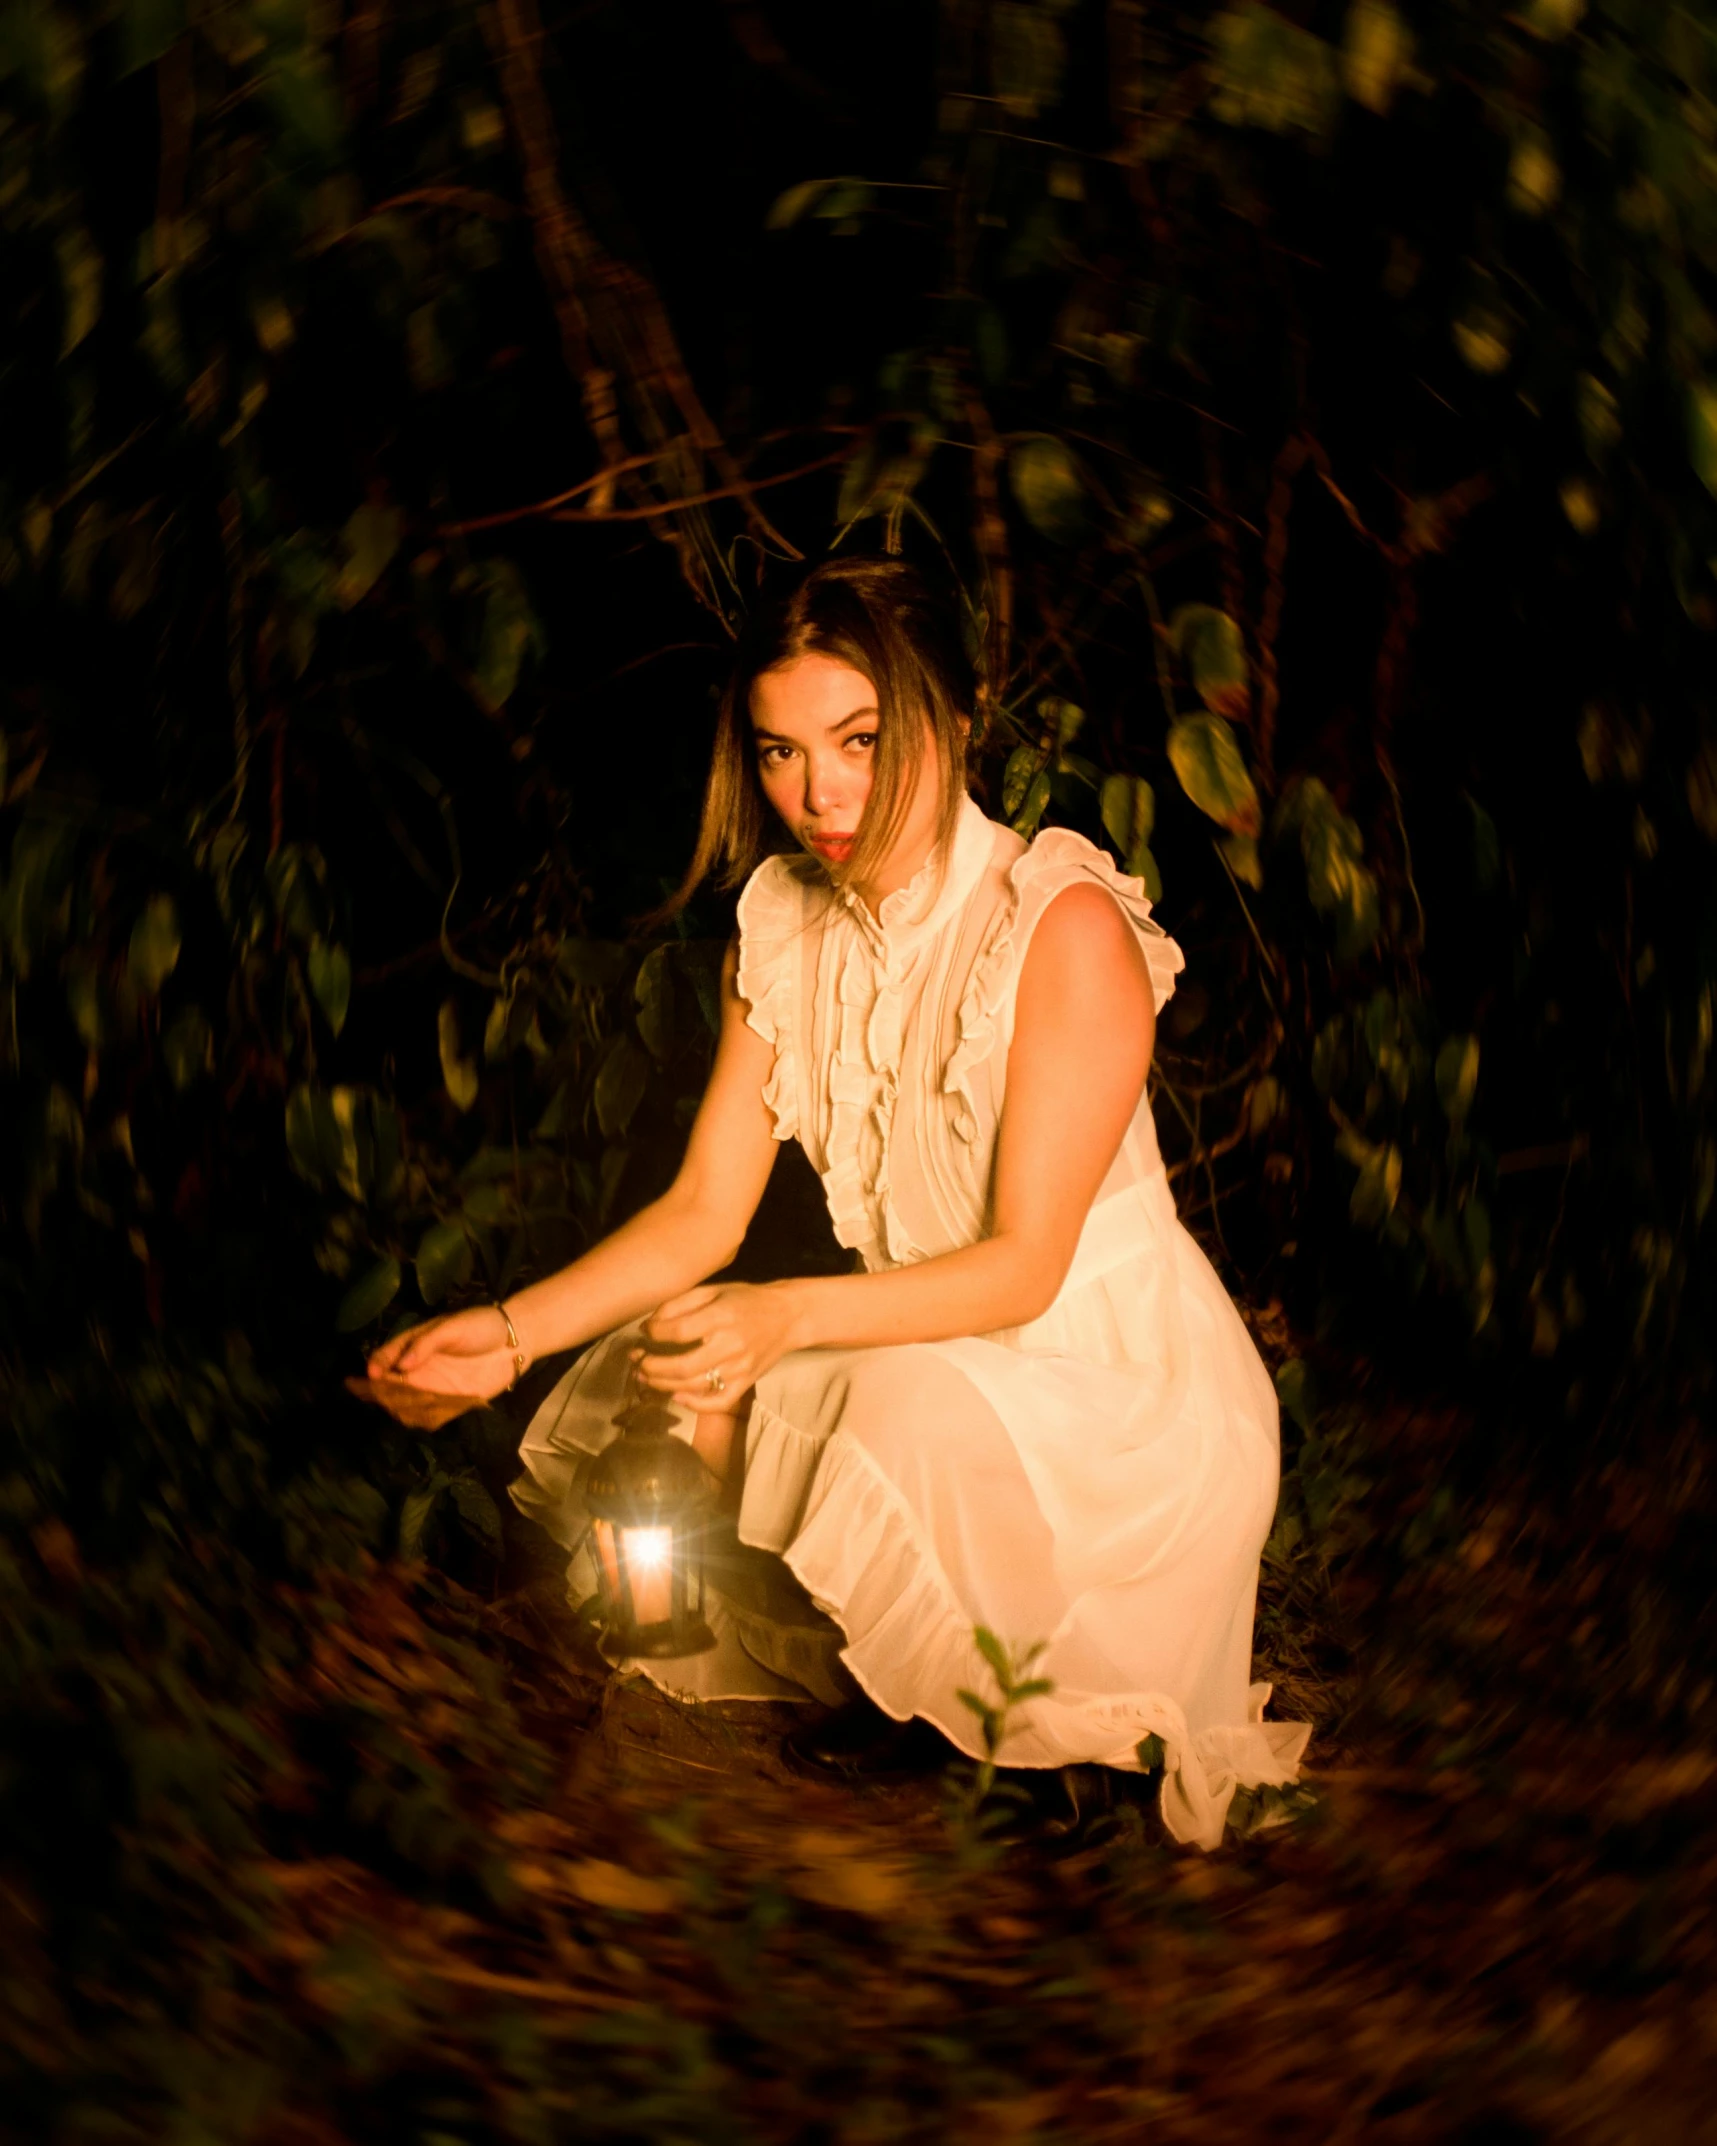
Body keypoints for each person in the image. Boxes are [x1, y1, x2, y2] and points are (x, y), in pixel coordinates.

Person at [368, 555, 1308, 1849]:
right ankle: (915, 1680)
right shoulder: (790, 924)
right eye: (780, 751)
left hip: (1115, 1391)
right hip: (935, 1355)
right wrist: (509, 1331)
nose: (820, 793)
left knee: (846, 1379)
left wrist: (786, 1319)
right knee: (682, 1348)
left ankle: (1059, 1736)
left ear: (957, 715)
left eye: (860, 739)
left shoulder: (1059, 921)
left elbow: (1027, 1271)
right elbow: (706, 1205)